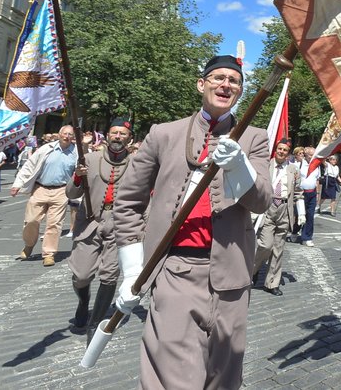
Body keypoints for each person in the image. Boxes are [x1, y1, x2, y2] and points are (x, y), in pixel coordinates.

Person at [113, 54, 271, 389]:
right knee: (173, 378)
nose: (225, 84)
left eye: (234, 81)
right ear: (201, 84)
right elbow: (127, 201)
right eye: (217, 77)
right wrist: (131, 271)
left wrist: (240, 167)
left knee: (224, 379)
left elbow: (261, 201)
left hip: (232, 276)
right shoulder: (163, 134)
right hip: (176, 271)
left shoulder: (254, 138)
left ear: (240, 92)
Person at [67, 118, 133, 341]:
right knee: (81, 275)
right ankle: (83, 303)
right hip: (90, 222)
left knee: (110, 273)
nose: (117, 137)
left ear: (129, 138)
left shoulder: (136, 163)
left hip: (120, 224)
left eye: (122, 134)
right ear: (106, 136)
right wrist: (78, 176)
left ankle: (95, 323)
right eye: (114, 133)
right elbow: (71, 194)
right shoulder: (89, 159)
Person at [10, 125, 79, 267]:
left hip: (61, 191)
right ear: (59, 135)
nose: (67, 136)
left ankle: (49, 254)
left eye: (70, 134)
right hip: (40, 188)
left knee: (54, 224)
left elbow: (81, 171)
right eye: (64, 133)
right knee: (31, 220)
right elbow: (29, 165)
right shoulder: (46, 149)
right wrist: (17, 183)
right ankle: (29, 245)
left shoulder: (76, 153)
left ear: (73, 137)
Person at [252, 138, 303, 296]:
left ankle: (271, 283)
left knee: (278, 249)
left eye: (285, 150)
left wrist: (301, 213)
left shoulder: (293, 169)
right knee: (265, 245)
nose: (281, 152)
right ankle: (253, 270)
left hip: (284, 209)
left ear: (288, 153)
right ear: (276, 150)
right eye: (279, 149)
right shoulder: (266, 165)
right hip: (267, 208)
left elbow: (298, 193)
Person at [299, 146, 319, 247]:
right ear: (305, 155)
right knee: (299, 215)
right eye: (310, 155)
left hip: (312, 193)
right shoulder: (299, 163)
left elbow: (317, 180)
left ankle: (307, 237)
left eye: (313, 155)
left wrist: (318, 193)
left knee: (310, 216)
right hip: (301, 194)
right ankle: (294, 232)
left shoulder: (317, 165)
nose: (312, 157)